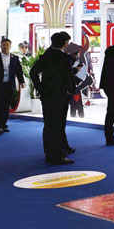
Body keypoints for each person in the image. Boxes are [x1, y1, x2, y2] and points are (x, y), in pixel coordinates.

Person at [30, 32, 77, 165]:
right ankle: (57, 155)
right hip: (60, 95)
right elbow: (68, 77)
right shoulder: (65, 58)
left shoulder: (45, 56)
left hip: (47, 95)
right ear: (64, 44)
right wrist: (71, 90)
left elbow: (33, 73)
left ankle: (49, 153)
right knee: (58, 125)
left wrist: (40, 88)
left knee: (49, 125)